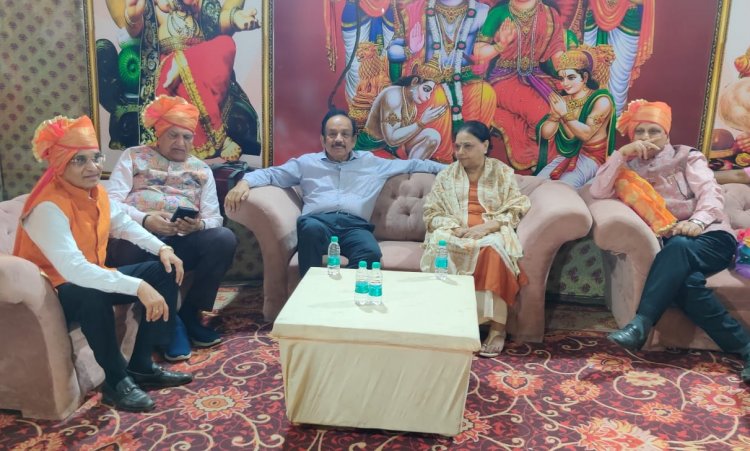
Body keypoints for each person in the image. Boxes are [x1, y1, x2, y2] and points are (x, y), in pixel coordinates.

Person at [13, 115, 193, 412]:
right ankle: (116, 381)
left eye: (96, 158)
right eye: (79, 160)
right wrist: (138, 286)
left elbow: (124, 225)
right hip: (55, 292)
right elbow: (73, 269)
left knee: (165, 269)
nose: (93, 167)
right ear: (60, 164)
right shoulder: (47, 206)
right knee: (89, 292)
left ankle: (142, 366)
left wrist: (162, 248)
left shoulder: (96, 193)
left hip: (91, 276)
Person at [589, 99, 750, 384]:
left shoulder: (687, 156)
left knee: (679, 246)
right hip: (673, 248)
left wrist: (697, 222)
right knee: (686, 284)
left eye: (654, 131)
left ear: (666, 133)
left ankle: (640, 324)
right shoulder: (629, 167)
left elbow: (711, 193)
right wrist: (620, 154)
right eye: (640, 132)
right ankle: (746, 347)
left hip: (711, 237)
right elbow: (599, 191)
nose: (647, 137)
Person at [224, 109, 446, 277]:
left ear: (353, 140)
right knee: (309, 228)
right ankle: (308, 298)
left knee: (370, 254)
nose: (338, 139)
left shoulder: (372, 163)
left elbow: (417, 164)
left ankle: (340, 298)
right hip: (318, 224)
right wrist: (244, 183)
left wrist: (456, 169)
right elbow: (271, 174)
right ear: (323, 139)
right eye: (332, 134)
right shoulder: (306, 163)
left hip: (355, 227)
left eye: (344, 134)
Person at [107, 95, 237, 362]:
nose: (181, 143)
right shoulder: (133, 156)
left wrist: (197, 225)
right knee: (146, 246)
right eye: (173, 135)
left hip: (180, 240)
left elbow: (214, 218)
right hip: (136, 240)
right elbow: (109, 203)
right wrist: (145, 219)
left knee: (224, 238)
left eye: (187, 137)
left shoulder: (201, 169)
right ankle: (171, 323)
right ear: (159, 133)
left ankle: (188, 313)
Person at [420, 121, 530, 358]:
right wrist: (454, 228)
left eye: (467, 146)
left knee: (492, 249)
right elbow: (431, 213)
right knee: (441, 245)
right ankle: (452, 324)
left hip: (489, 230)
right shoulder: (446, 175)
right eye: (457, 146)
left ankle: (497, 329)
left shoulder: (501, 173)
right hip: (454, 231)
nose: (460, 152)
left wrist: (487, 227)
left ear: (485, 146)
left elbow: (516, 206)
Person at [114, 0, 261, 160]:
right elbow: (136, 30)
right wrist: (133, 17)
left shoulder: (198, 5)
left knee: (227, 43)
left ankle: (184, 63)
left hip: (200, 57)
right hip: (170, 59)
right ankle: (221, 141)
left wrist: (235, 18)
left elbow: (217, 20)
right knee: (183, 81)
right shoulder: (157, 4)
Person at [386, 0, 497, 163]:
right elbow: (393, 51)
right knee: (437, 98)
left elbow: (489, 50)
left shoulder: (482, 12)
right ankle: (442, 160)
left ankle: (469, 154)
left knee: (485, 93)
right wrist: (410, 50)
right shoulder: (415, 10)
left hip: (464, 79)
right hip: (429, 80)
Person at [473, 0, 566, 173]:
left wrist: (570, 71)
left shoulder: (550, 14)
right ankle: (540, 163)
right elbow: (478, 53)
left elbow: (557, 53)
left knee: (564, 108)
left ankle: (550, 163)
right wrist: (500, 45)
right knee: (543, 112)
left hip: (539, 77)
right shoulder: (499, 13)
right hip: (504, 78)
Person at [535, 45, 615, 188]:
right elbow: (546, 135)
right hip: (567, 155)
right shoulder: (564, 101)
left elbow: (585, 135)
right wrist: (554, 117)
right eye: (561, 78)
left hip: (592, 158)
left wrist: (564, 114)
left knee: (562, 188)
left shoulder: (601, 100)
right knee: (537, 184)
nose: (565, 83)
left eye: (571, 77)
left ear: (585, 77)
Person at [358, 76, 447, 159]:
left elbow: (402, 136)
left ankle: (411, 168)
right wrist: (421, 122)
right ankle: (409, 167)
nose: (428, 97)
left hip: (392, 148)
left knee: (433, 136)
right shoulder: (393, 95)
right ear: (414, 82)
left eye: (430, 93)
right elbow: (392, 140)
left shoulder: (412, 105)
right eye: (426, 89)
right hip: (372, 148)